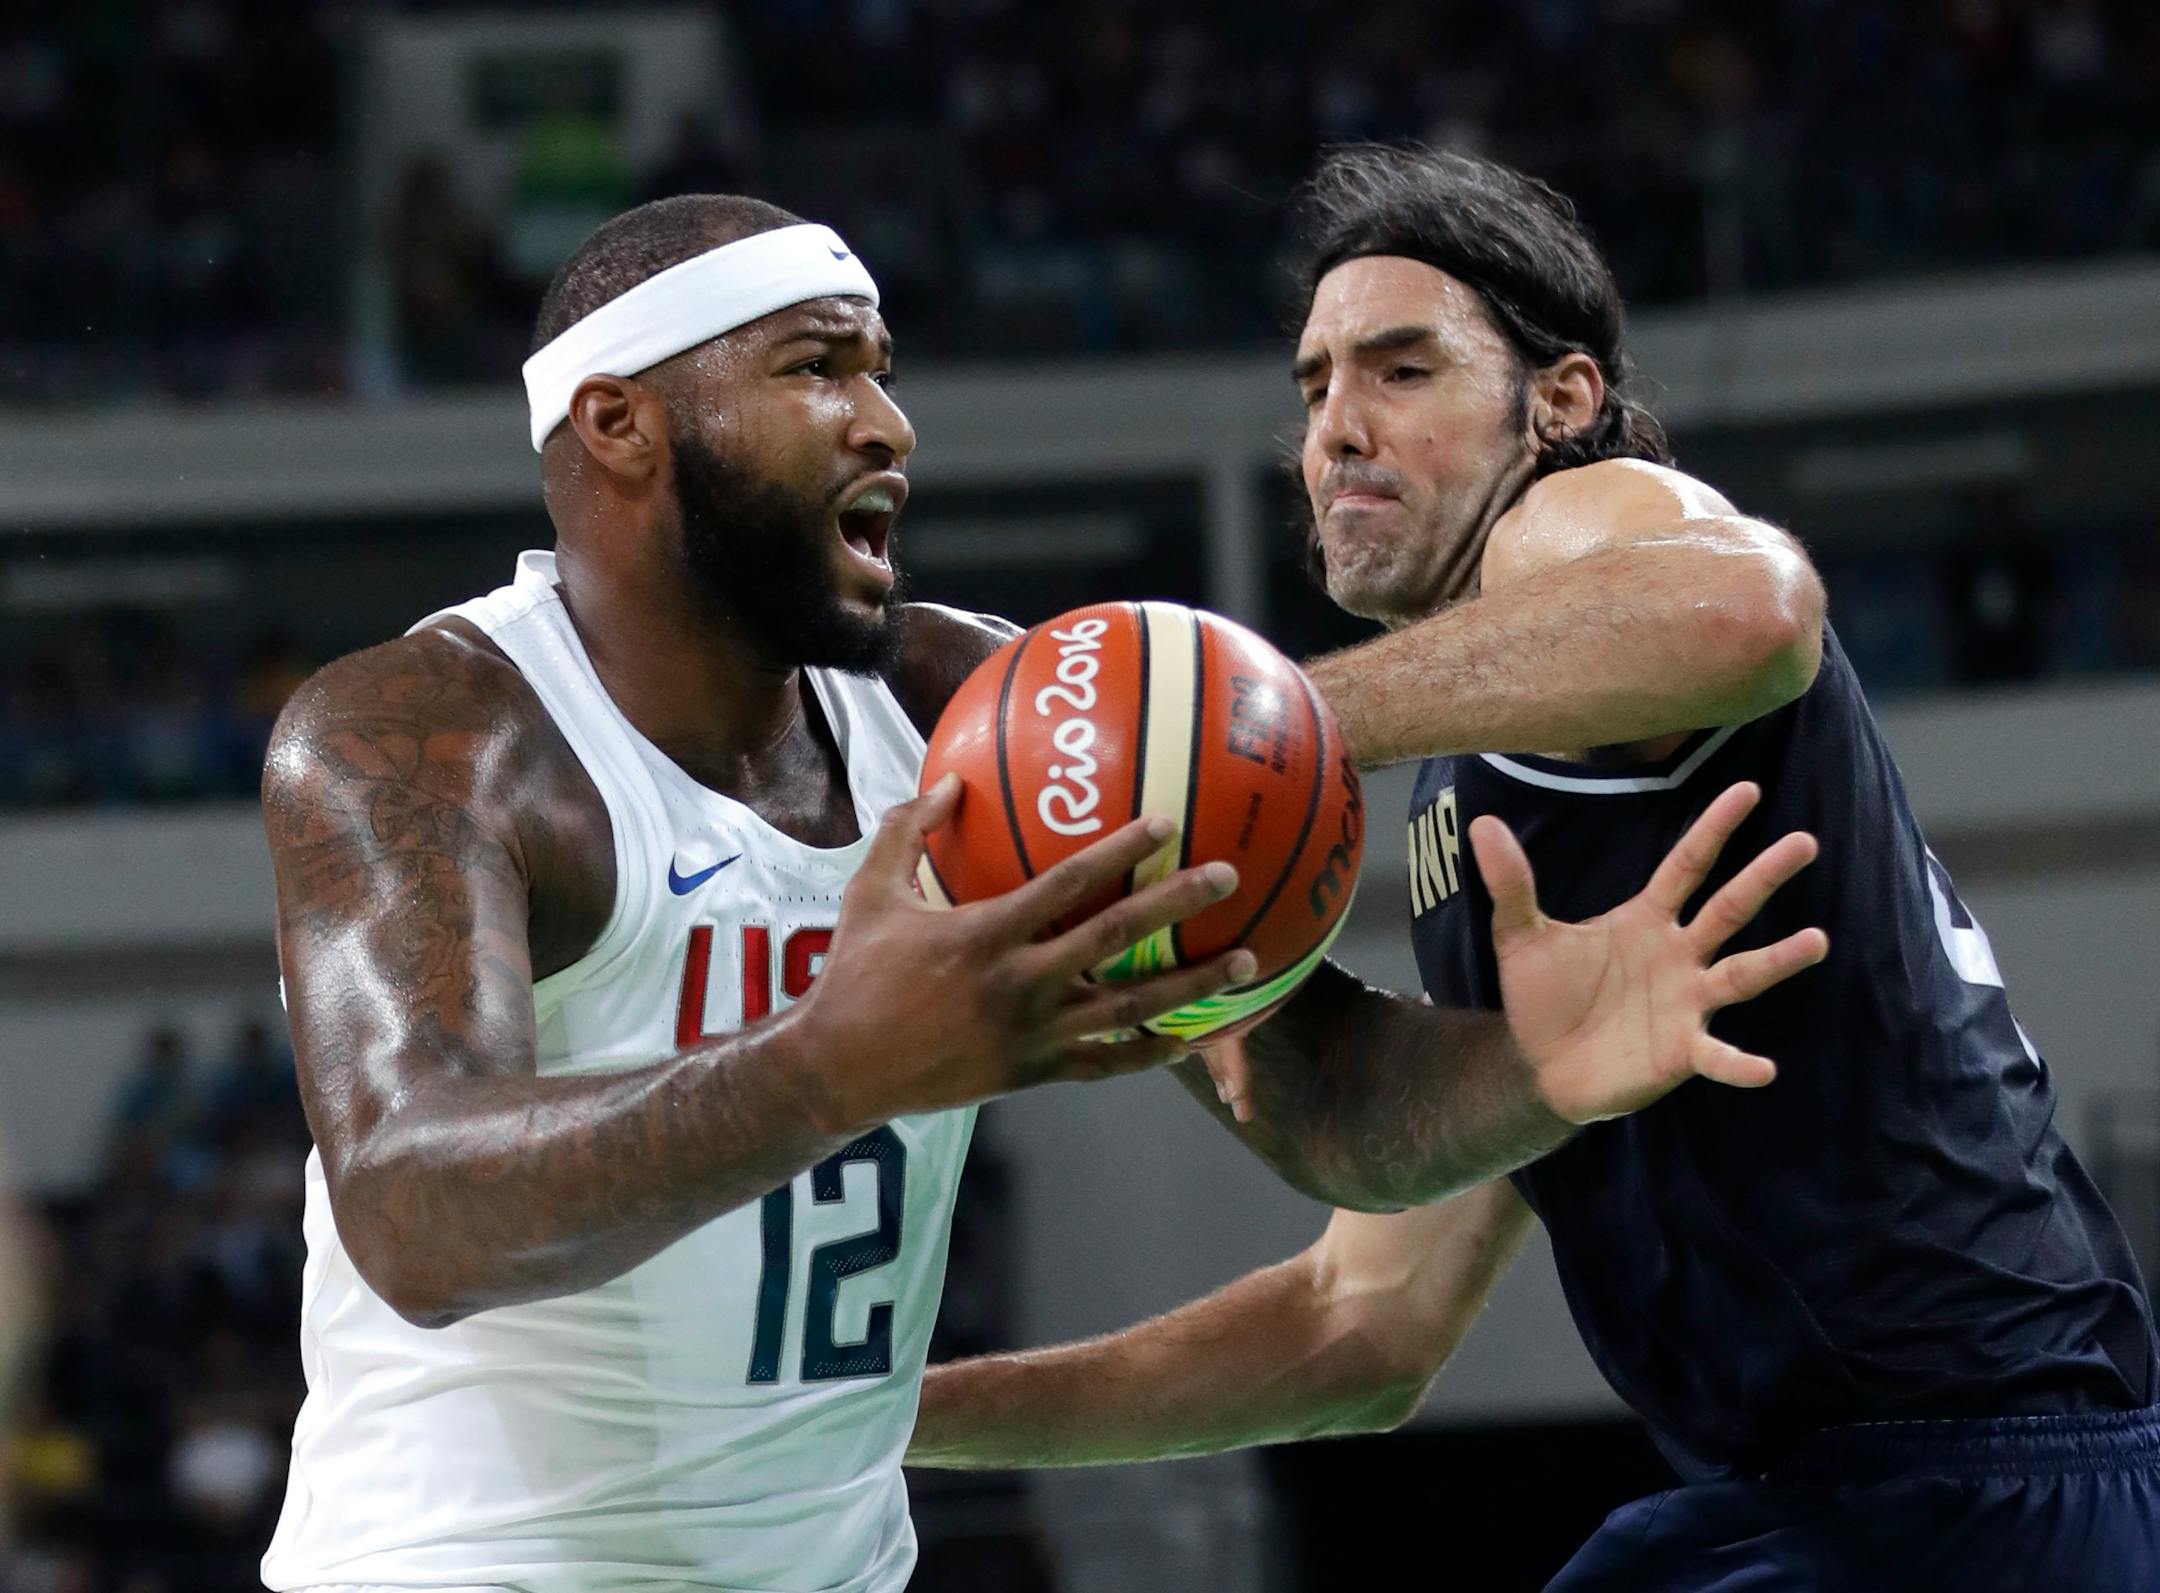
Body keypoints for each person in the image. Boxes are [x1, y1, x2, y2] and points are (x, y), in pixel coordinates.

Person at [256, 192, 1820, 1592]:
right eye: (819, 369)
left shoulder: (974, 705)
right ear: (619, 425)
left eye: (882, 369)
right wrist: (830, 1063)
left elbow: (1325, 1104)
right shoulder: (427, 730)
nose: (889, 424)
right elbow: (415, 1206)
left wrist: (1540, 1066)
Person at [909, 147, 2160, 1590]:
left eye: (1400, 370)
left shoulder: (1574, 519)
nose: (1338, 428)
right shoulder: (1479, 779)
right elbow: (1355, 1325)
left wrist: (1251, 739)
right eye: (1315, 386)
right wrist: (893, 1423)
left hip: (1965, 1489)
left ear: (1555, 401)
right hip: (1846, 1505)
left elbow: (1751, 606)